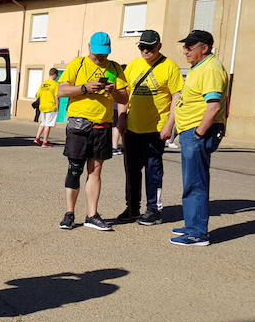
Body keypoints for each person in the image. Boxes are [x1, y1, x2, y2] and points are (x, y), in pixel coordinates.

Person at [57, 32, 129, 231]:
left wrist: (113, 91)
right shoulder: (77, 64)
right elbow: (62, 91)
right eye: (97, 53)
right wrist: (85, 88)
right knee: (74, 169)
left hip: (102, 127)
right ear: (89, 47)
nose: (101, 57)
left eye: (104, 53)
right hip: (79, 125)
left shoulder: (114, 68)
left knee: (95, 171)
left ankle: (92, 215)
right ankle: (69, 213)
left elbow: (124, 98)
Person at [116, 30, 183, 226]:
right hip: (133, 127)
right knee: (132, 169)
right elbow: (124, 94)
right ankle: (133, 207)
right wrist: (121, 118)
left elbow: (177, 98)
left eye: (149, 47)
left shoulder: (169, 66)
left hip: (156, 128)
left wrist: (170, 125)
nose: (145, 50)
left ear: (159, 46)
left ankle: (153, 209)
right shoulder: (134, 65)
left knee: (153, 169)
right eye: (141, 46)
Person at [170, 30, 228, 246]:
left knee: (196, 182)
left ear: (204, 48)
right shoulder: (199, 67)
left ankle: (197, 233)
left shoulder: (211, 69)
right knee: (191, 181)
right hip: (190, 131)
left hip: (198, 132)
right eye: (185, 46)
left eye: (190, 47)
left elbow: (213, 106)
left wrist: (198, 133)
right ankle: (191, 224)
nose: (185, 50)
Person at [33, 68, 59, 147]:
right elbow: (57, 96)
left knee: (43, 123)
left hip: (42, 106)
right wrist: (57, 107)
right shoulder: (56, 84)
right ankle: (45, 142)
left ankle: (37, 138)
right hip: (51, 106)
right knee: (48, 124)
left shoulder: (43, 83)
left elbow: (37, 95)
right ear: (55, 75)